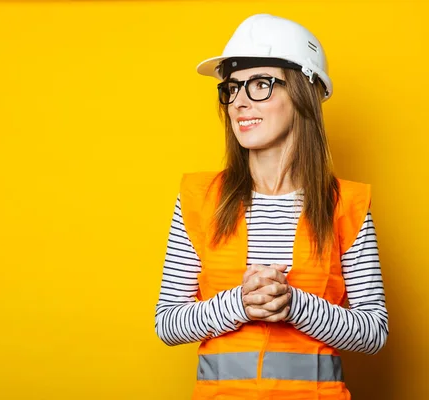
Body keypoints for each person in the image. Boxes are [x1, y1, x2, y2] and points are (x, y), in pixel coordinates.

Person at [154, 13, 388, 400]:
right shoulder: (199, 198)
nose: (240, 102)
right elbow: (167, 324)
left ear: (302, 94)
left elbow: (373, 332)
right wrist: (240, 304)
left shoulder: (346, 205)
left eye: (261, 84)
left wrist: (294, 304)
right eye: (232, 88)